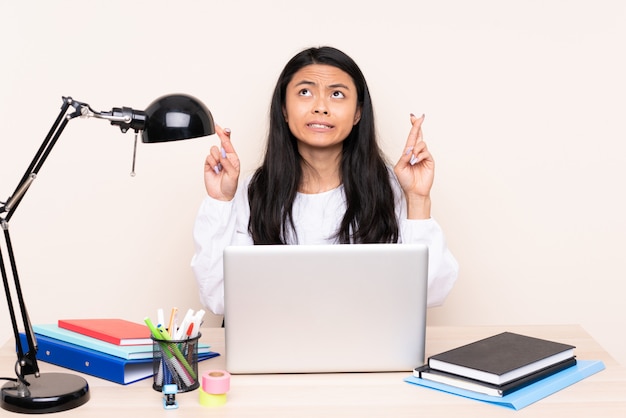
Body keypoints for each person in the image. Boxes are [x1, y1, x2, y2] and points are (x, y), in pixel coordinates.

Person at [191, 46, 458, 315]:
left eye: (337, 94)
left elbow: (430, 293)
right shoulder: (252, 192)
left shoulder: (390, 187)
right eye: (305, 92)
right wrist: (220, 201)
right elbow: (217, 298)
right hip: (278, 351)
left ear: (357, 113)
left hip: (367, 351)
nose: (320, 107)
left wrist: (418, 198)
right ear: (284, 109)